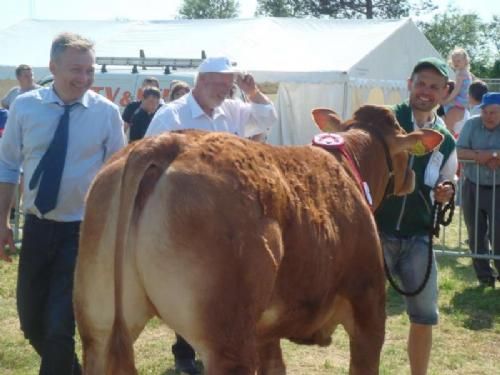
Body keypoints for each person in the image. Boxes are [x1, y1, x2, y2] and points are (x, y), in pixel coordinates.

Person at [0, 32, 125, 374]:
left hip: (81, 234)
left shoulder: (107, 114)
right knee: (31, 322)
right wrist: (2, 221)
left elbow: (117, 178)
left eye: (90, 70)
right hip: (38, 229)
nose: (84, 78)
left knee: (59, 328)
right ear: (52, 66)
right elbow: (8, 164)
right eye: (75, 69)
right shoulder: (25, 107)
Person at [146, 56, 277, 375]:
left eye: (228, 84)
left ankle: (217, 350)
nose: (224, 90)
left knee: (226, 287)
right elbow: (147, 158)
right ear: (201, 81)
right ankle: (184, 353)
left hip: (231, 220)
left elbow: (267, 117)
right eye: (219, 83)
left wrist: (253, 90)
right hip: (185, 217)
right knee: (191, 285)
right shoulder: (171, 115)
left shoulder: (232, 109)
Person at [375, 57, 457, 375]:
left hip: (419, 235)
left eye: (434, 86)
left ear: (444, 91)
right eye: (421, 83)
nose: (426, 91)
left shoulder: (446, 139)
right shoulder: (385, 120)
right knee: (368, 312)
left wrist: (446, 190)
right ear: (410, 84)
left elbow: (448, 179)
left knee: (424, 316)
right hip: (377, 232)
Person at [456, 92, 500, 289]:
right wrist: (478, 155)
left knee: (498, 234)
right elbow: (458, 151)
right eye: (485, 111)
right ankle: (484, 276)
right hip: (472, 185)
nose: (488, 116)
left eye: (493, 112)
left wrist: (493, 154)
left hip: (498, 188)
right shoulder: (471, 124)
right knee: (475, 232)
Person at [442, 48, 472, 133]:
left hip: (461, 100)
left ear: (465, 61)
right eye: (454, 61)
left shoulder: (461, 73)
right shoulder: (465, 72)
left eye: (458, 61)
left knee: (443, 103)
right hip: (464, 100)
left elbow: (456, 90)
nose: (456, 63)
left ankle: (449, 128)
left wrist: (447, 100)